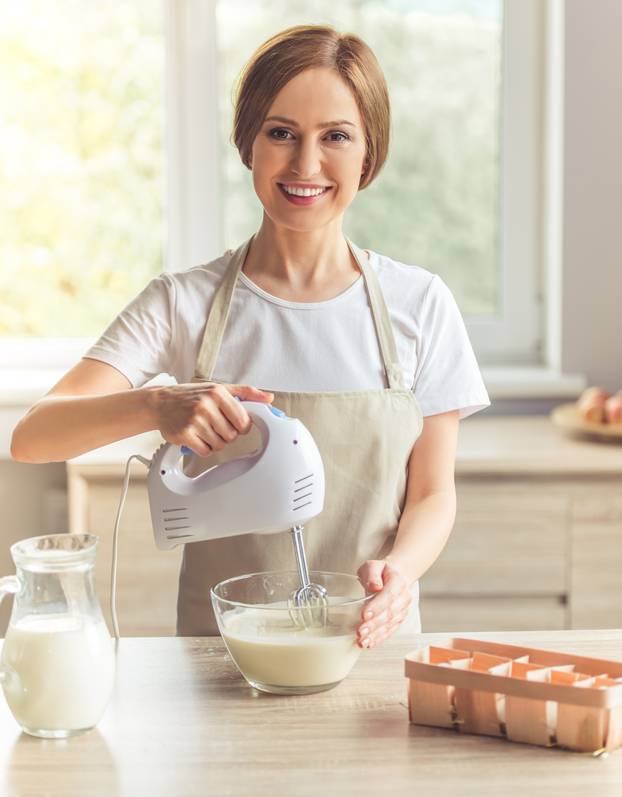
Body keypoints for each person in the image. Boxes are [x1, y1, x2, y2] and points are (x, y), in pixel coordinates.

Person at [11, 24, 490, 647]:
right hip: (222, 664)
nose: (306, 164)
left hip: (370, 650)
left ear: (369, 154)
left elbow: (432, 494)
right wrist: (158, 404)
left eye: (336, 137)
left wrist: (399, 573)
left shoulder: (420, 304)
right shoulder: (183, 302)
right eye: (281, 133)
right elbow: (33, 437)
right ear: (248, 145)